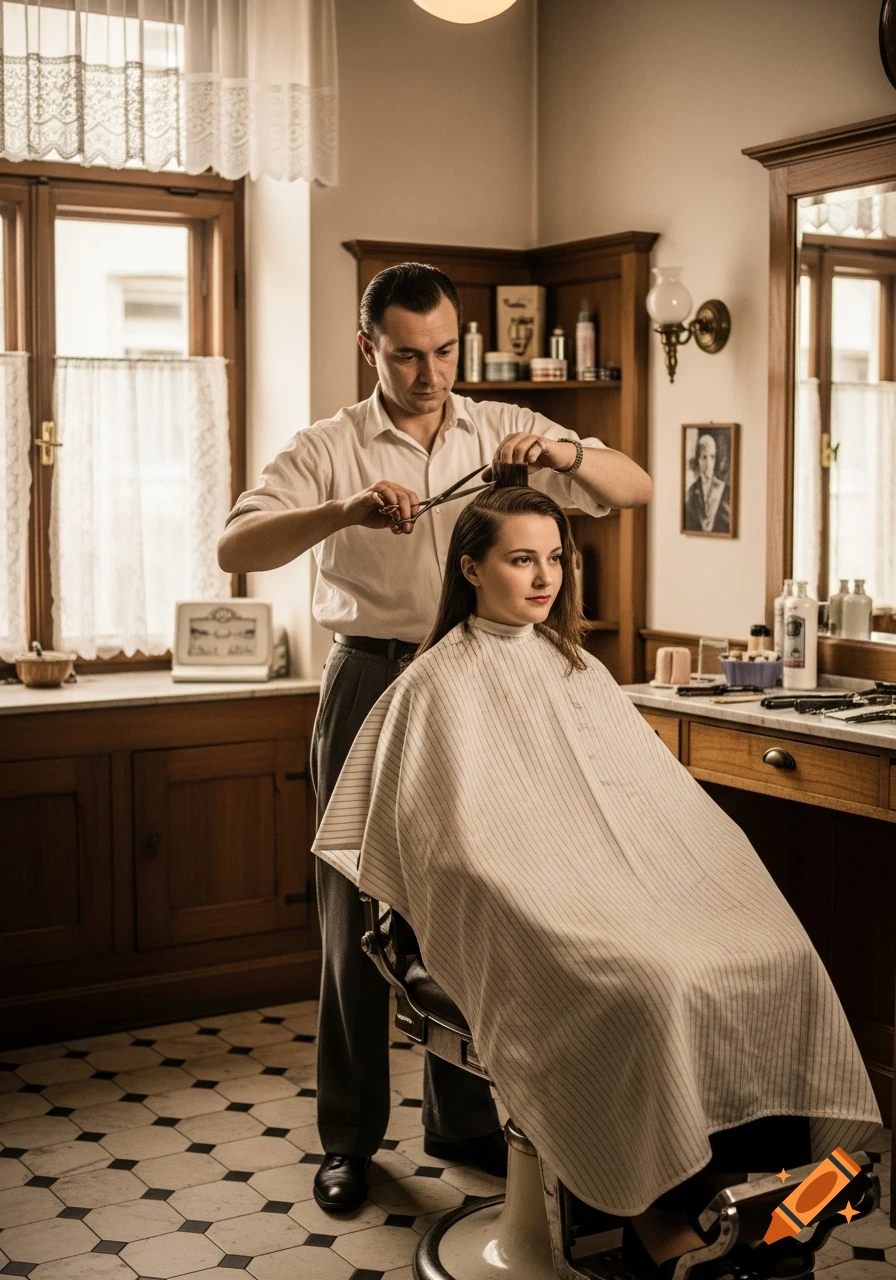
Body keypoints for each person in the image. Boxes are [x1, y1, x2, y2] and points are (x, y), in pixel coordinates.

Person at [312, 474, 884, 1279]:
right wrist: (549, 894)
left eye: (555, 558)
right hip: (526, 913)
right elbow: (451, 850)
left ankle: (738, 1203)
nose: (545, 578)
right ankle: (659, 1223)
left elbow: (655, 811)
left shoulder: (574, 668)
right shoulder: (432, 685)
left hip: (622, 900)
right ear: (471, 569)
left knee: (770, 955)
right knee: (645, 988)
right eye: (521, 560)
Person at [216, 261, 653, 1214]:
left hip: (481, 683)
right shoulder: (325, 445)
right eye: (408, 355)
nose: (430, 372)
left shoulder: (501, 427)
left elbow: (635, 484)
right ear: (367, 346)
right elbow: (235, 548)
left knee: (472, 904)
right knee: (354, 915)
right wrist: (342, 511)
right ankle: (348, 1140)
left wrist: (561, 457)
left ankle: (459, 1122)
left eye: (446, 350)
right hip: (373, 677)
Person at [685, 433, 731, 534]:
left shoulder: (725, 490)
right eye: (704, 457)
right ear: (698, 459)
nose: (709, 463)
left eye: (712, 456)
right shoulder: (692, 491)